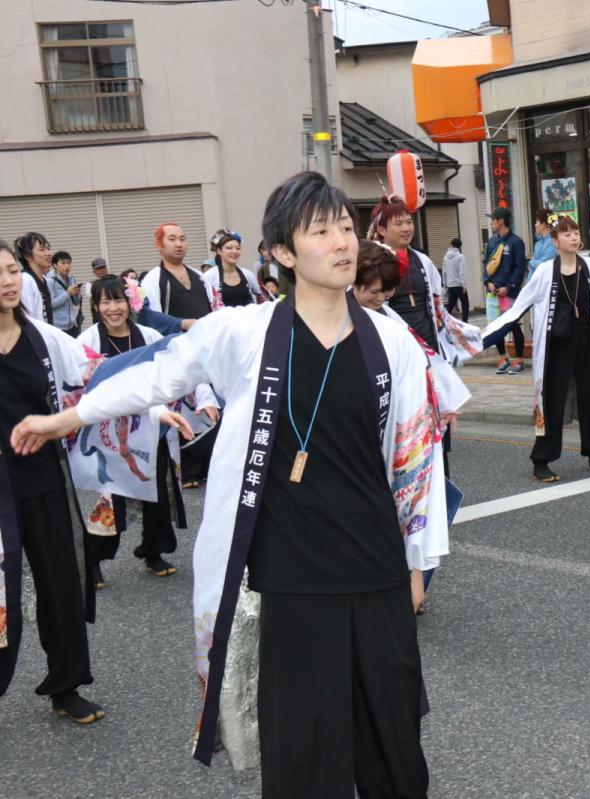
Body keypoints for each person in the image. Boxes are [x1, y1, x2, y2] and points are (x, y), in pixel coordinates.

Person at [12, 172, 444, 795]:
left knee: (393, 741)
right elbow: (156, 375)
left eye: (346, 227)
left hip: (374, 565)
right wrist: (64, 418)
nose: (343, 242)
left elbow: (414, 457)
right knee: (303, 749)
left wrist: (415, 563)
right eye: (321, 231)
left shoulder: (389, 340)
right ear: (284, 254)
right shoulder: (244, 332)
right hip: (289, 574)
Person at [0, 241, 189, 724]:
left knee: (61, 582)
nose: (7, 281)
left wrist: (153, 408)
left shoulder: (43, 337)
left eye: (10, 271)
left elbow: (102, 378)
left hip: (42, 478)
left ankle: (65, 685)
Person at [353, 239, 470, 613]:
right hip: (368, 434)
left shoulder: (388, 318)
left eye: (385, 292)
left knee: (412, 510)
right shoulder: (340, 322)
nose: (380, 298)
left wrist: (443, 402)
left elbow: (426, 357)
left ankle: (410, 587)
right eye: (372, 292)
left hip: (407, 431)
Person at [77, 276, 210, 587]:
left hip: (154, 431)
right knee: (112, 502)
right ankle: (92, 558)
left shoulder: (149, 335)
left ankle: (153, 550)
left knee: (158, 495)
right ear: (96, 307)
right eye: (105, 302)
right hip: (109, 436)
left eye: (119, 300)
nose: (113, 309)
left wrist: (203, 397)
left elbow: (182, 368)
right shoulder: (86, 343)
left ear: (131, 303)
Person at [482, 214, 590, 482]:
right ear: (555, 241)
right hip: (556, 346)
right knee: (551, 401)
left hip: (586, 342)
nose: (575, 237)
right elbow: (520, 306)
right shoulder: (545, 271)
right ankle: (541, 459)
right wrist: (483, 336)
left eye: (577, 232)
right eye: (567, 234)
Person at [140, 223, 216, 488]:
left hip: (207, 348)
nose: (179, 244)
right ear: (159, 244)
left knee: (211, 405)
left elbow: (213, 307)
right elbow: (149, 317)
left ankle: (210, 466)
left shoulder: (199, 275)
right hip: (178, 350)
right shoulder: (153, 279)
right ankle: (189, 471)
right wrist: (183, 324)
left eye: (183, 238)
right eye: (172, 239)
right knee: (185, 408)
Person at [369, 195, 481, 368]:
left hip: (429, 346)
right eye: (399, 224)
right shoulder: (371, 265)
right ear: (382, 230)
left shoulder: (422, 260)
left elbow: (437, 306)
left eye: (409, 222)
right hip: (396, 348)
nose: (407, 228)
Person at [483, 207, 528, 374]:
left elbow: (519, 267)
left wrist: (509, 287)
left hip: (510, 293)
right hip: (493, 292)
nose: (491, 223)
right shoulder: (492, 242)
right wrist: (488, 282)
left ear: (501, 221)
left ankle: (519, 360)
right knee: (496, 327)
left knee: (514, 326)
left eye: (493, 220)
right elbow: (486, 264)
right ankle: (504, 357)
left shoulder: (516, 242)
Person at [203, 229, 264, 308]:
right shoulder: (209, 277)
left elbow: (261, 301)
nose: (234, 251)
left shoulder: (248, 275)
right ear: (219, 251)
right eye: (229, 248)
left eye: (238, 248)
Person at [15, 232, 53, 324]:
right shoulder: (26, 280)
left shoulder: (44, 279)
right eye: (42, 249)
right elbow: (28, 320)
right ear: (27, 255)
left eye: (48, 248)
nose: (49, 253)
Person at [48, 250, 83, 337]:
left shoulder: (71, 278)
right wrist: (68, 293)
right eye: (63, 263)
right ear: (55, 265)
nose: (67, 266)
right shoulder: (50, 280)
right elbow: (50, 304)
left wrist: (77, 294)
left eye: (69, 263)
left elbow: (76, 302)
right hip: (58, 327)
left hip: (73, 325)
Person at [441, 237, 469, 323]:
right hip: (459, 285)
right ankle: (465, 322)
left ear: (451, 245)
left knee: (450, 305)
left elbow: (444, 272)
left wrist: (445, 285)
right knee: (465, 303)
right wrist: (464, 285)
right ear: (459, 247)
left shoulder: (445, 257)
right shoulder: (460, 257)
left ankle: (444, 320)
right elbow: (462, 272)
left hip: (450, 286)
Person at [80, 257, 110, 328]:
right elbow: (91, 295)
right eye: (99, 269)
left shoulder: (114, 281)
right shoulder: (90, 285)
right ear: (94, 271)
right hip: (98, 316)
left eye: (103, 267)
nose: (102, 270)